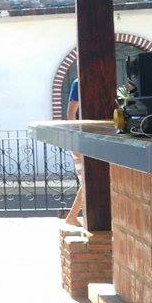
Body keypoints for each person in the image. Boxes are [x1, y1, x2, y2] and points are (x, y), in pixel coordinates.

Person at [65, 79, 85, 226]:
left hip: (85, 140)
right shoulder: (79, 82)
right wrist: (74, 143)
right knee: (87, 181)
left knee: (87, 181)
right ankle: (72, 217)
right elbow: (71, 112)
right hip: (80, 141)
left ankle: (72, 217)